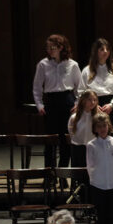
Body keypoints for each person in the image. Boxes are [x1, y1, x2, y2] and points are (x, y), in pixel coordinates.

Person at [33, 34, 82, 169]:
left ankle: (62, 173)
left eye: (52, 47)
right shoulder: (43, 64)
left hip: (67, 102)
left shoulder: (72, 65)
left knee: (65, 140)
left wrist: (77, 104)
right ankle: (49, 175)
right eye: (47, 48)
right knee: (50, 140)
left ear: (61, 47)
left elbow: (80, 88)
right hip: (51, 102)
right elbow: (37, 87)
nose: (49, 50)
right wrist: (39, 105)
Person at [86, 113, 113, 224]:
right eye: (99, 126)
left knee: (110, 215)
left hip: (112, 184)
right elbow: (90, 165)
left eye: (104, 126)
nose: (102, 129)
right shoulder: (91, 145)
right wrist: (95, 181)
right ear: (95, 128)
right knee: (100, 216)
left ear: (109, 126)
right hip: (98, 185)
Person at [79, 38, 113, 112]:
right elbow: (81, 91)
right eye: (102, 49)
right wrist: (92, 105)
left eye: (107, 49)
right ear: (96, 51)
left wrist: (112, 104)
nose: (105, 51)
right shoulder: (87, 70)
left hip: (112, 107)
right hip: (92, 108)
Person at [67, 90, 98, 167]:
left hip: (92, 147)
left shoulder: (97, 117)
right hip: (77, 147)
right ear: (83, 100)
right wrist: (76, 140)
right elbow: (70, 131)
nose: (93, 102)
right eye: (90, 100)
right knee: (78, 170)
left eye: (94, 100)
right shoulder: (74, 117)